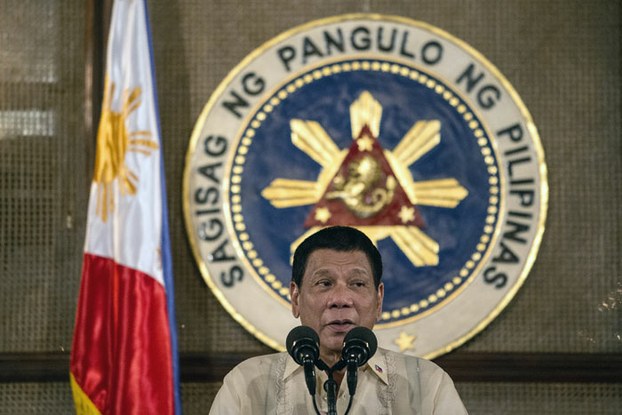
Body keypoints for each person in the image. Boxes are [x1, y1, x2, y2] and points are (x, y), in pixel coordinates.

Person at [209, 226, 468, 414]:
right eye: (324, 283)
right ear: (296, 298)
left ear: (378, 300)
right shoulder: (246, 384)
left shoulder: (427, 384)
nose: (341, 299)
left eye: (357, 283)